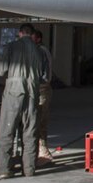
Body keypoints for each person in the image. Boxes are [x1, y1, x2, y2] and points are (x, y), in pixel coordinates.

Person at [0, 24, 49, 178]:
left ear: (19, 33)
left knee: (7, 130)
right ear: (32, 35)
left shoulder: (11, 47)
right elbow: (45, 76)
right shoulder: (40, 51)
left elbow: (1, 70)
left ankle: (4, 169)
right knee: (30, 132)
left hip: (13, 92)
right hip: (33, 93)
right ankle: (29, 169)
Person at [32, 29, 54, 166]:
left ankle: (43, 152)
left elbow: (44, 75)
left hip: (41, 89)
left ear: (38, 39)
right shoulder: (40, 50)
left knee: (40, 121)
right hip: (41, 88)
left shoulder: (40, 51)